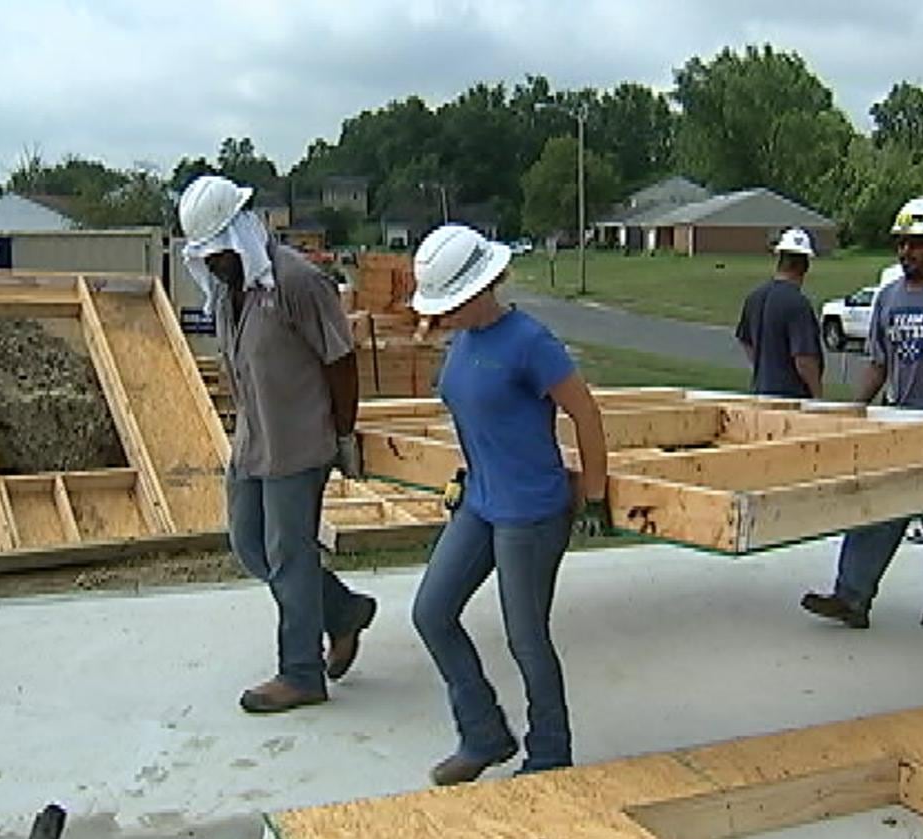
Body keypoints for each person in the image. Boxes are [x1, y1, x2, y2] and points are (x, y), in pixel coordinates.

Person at [407, 224, 610, 785]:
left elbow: (585, 413)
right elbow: (475, 414)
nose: (442, 316)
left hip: (532, 511)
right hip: (480, 500)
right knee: (431, 612)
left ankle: (550, 753)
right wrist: (466, 473)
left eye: (450, 305)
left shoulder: (529, 342)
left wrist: (592, 494)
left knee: (526, 635)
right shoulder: (462, 341)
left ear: (480, 290)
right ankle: (483, 734)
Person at [179, 174, 377, 714]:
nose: (214, 265)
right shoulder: (226, 293)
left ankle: (301, 673)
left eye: (219, 253)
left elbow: (341, 362)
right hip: (253, 442)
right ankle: (341, 610)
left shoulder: (296, 281)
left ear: (242, 232)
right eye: (206, 256)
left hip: (300, 442)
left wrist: (342, 436)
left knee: (290, 555)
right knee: (249, 545)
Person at [801, 197, 923, 630]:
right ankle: (852, 597)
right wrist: (857, 407)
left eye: (918, 244)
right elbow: (878, 363)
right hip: (897, 420)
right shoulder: (887, 298)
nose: (908, 252)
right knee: (874, 506)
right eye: (903, 244)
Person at [735, 227, 824, 398]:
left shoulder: (754, 297)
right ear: (805, 266)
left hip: (760, 394)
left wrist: (764, 366)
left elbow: (745, 341)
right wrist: (817, 395)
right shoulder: (798, 304)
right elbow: (804, 359)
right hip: (791, 399)